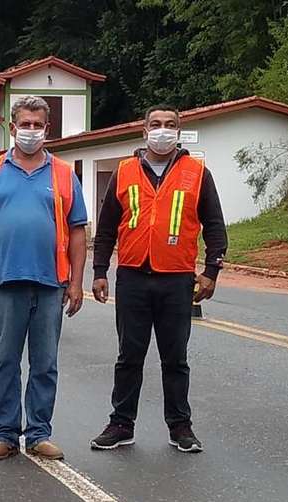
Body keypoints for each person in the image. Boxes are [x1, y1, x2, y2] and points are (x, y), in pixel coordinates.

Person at [90, 104, 227, 453]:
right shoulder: (124, 172)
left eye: (169, 125)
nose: (162, 130)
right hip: (133, 277)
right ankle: (121, 424)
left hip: (177, 280)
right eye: (155, 124)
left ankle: (180, 427)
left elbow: (214, 225)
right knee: (129, 356)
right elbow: (106, 228)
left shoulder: (197, 173)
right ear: (144, 131)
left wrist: (211, 271)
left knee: (175, 358)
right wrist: (100, 271)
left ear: (178, 132)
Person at [0, 96, 88, 462]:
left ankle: (38, 433)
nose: (30, 131)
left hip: (51, 284)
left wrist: (77, 282)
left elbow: (78, 230)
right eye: (25, 124)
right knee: (6, 362)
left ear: (46, 130)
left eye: (37, 124)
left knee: (45, 363)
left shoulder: (64, 173)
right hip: (5, 281)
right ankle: (5, 433)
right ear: (12, 127)